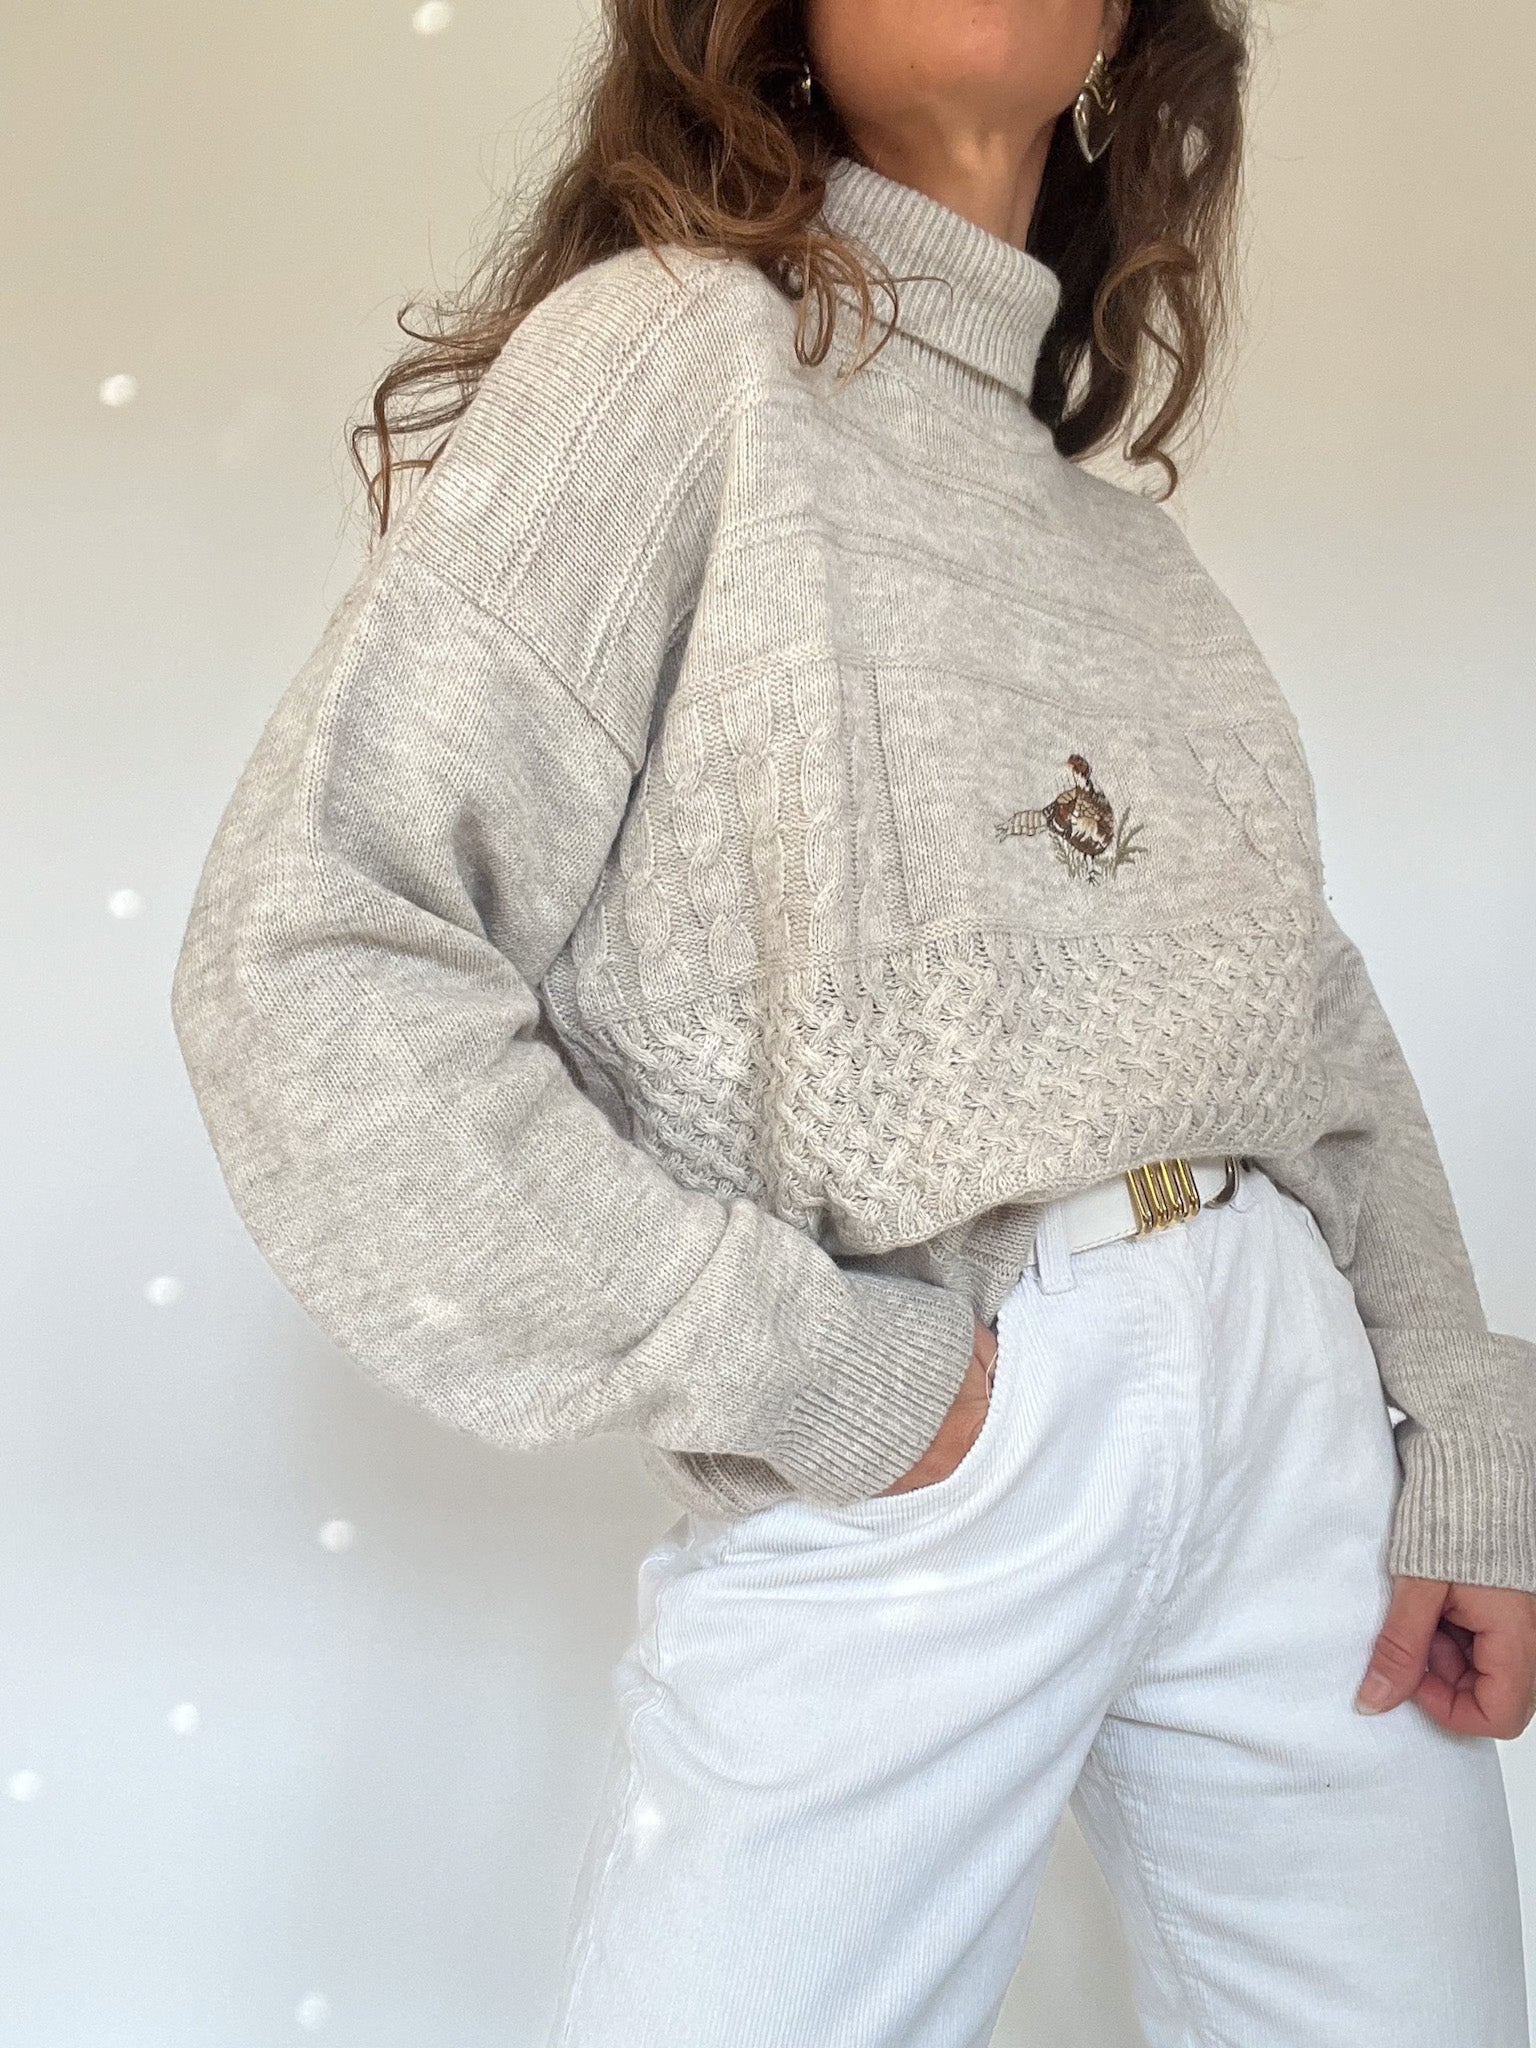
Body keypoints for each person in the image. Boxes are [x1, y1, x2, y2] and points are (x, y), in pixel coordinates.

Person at [169, 1, 1536, 2041]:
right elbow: (312, 950)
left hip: (1298, 1427)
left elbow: (1311, 1023)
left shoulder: (1128, 549)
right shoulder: (672, 361)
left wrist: (1464, 1428)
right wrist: (822, 1375)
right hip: (928, 1424)